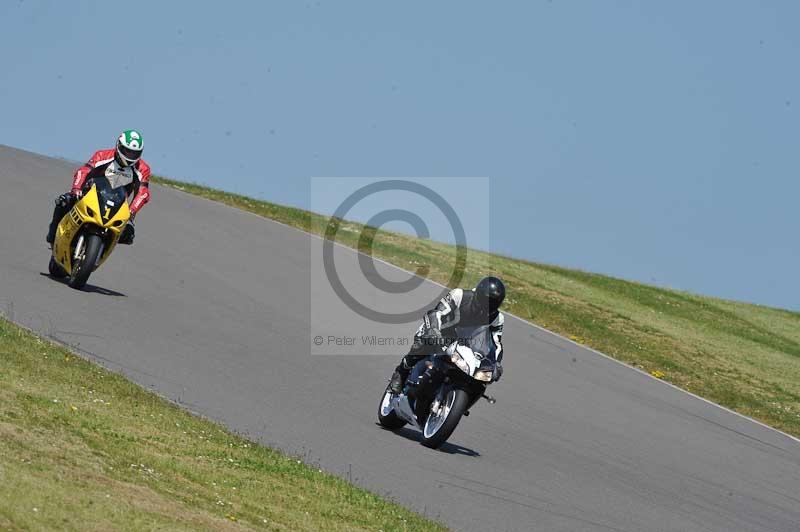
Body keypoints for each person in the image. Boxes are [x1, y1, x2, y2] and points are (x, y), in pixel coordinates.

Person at [388, 276, 507, 394]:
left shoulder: (497, 318)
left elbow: (496, 343)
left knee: (479, 376)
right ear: (479, 294)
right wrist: (434, 331)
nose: (489, 305)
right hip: (439, 333)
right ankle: (401, 373)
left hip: (464, 345)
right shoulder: (460, 295)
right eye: (487, 300)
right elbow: (436, 312)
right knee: (424, 343)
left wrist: (496, 363)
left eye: (494, 303)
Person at [46, 130, 151, 246]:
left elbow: (143, 193)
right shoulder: (102, 155)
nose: (130, 156)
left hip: (118, 204)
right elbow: (83, 171)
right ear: (119, 146)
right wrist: (76, 189)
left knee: (129, 234)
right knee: (64, 202)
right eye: (127, 151)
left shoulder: (143, 169)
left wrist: (131, 211)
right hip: (91, 194)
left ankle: (100, 250)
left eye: (134, 153)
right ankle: (52, 236)